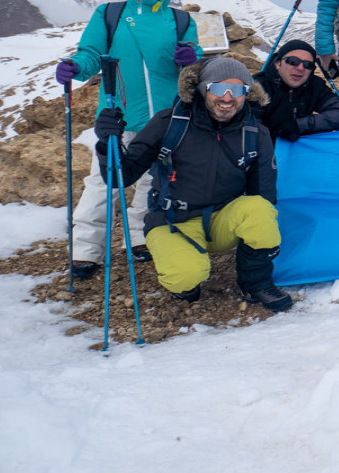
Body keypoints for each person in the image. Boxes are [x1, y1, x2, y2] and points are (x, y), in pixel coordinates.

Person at [93, 56, 292, 311]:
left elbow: (263, 193)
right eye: (219, 88)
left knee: (260, 210)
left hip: (221, 220)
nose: (228, 98)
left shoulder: (255, 133)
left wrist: (263, 241)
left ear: (247, 93)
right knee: (186, 277)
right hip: (173, 220)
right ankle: (186, 274)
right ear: (203, 88)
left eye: (238, 90)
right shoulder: (168, 124)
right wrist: (105, 144)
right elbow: (119, 178)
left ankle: (256, 283)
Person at [54, 0, 201, 280]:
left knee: (152, 182)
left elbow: (193, 57)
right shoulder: (109, 14)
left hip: (164, 118)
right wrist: (76, 67)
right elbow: (91, 53)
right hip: (117, 116)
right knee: (103, 184)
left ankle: (140, 239)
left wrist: (191, 55)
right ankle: (85, 250)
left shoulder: (179, 20)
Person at [253, 39, 339, 139]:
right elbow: (251, 129)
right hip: (266, 150)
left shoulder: (315, 85)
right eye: (293, 61)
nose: (300, 68)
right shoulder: (257, 87)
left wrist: (300, 125)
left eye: (308, 65)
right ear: (278, 63)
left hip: (300, 148)